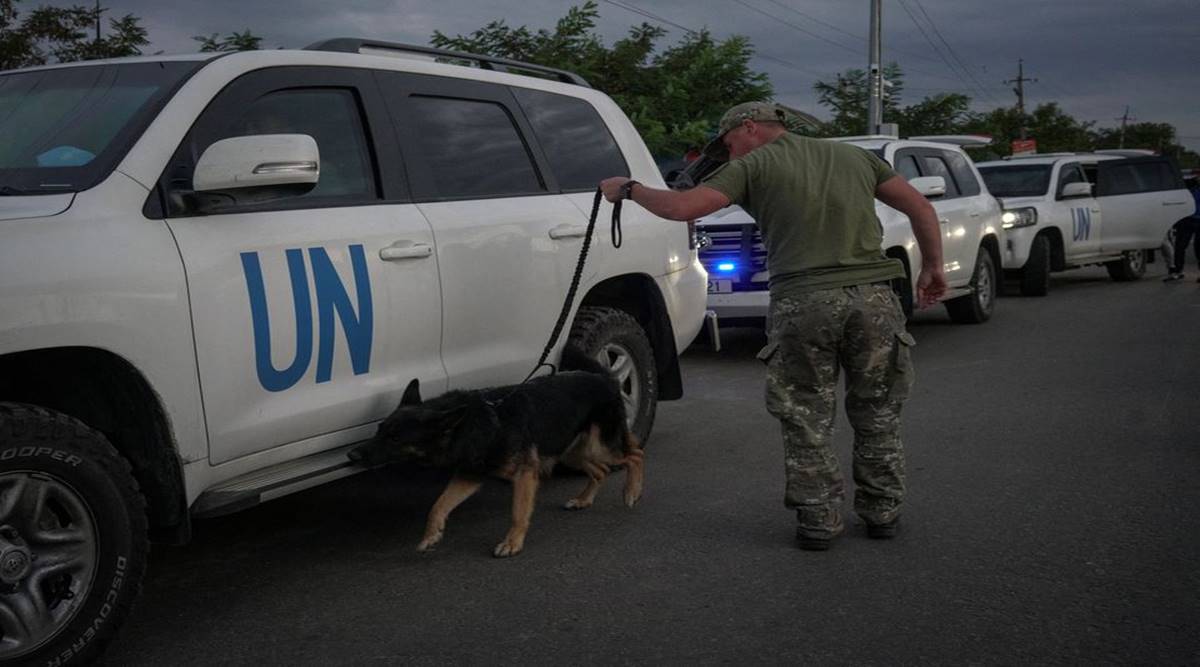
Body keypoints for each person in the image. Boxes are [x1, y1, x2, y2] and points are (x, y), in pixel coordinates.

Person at [600, 101, 946, 551]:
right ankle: (883, 511)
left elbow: (684, 207)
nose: (729, 155)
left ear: (749, 128)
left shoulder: (755, 165)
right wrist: (932, 267)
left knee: (806, 414)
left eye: (728, 145)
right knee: (878, 409)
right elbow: (920, 207)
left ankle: (819, 521)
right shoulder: (855, 157)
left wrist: (629, 189)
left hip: (804, 302)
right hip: (873, 299)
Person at [1163, 174, 1200, 282]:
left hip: (1196, 219)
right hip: (1186, 219)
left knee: (1199, 247)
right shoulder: (1188, 187)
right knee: (1180, 246)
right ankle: (1177, 271)